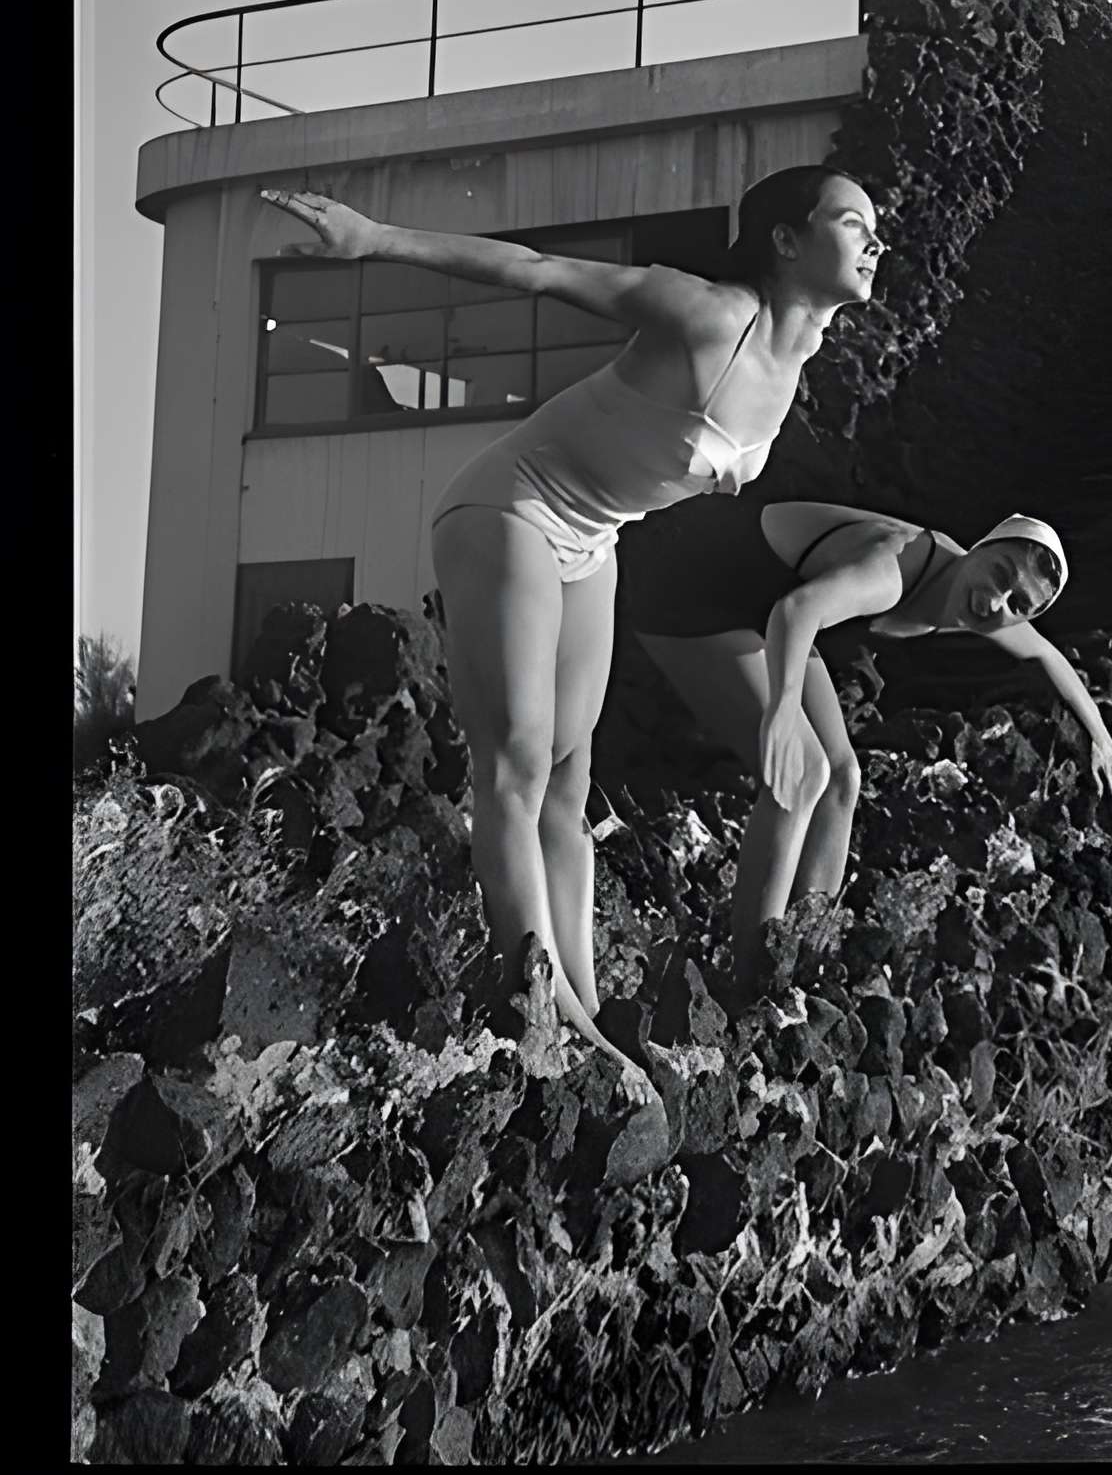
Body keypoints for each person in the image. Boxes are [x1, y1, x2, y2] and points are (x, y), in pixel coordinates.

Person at [256, 165, 884, 1091]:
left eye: (875, 228)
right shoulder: (711, 315)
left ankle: (581, 1004)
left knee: (569, 783)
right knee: (516, 757)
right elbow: (537, 270)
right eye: (852, 221)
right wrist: (374, 239)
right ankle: (536, 1009)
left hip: (594, 541)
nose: (875, 242)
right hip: (507, 506)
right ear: (787, 240)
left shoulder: (799, 359)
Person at [615, 494, 1112, 993]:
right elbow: (797, 612)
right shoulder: (895, 569)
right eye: (1000, 575)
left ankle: (801, 957)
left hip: (760, 605)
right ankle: (752, 977)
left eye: (1018, 604)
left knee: (844, 778)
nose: (996, 601)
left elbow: (1048, 658)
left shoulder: (990, 608)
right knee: (803, 775)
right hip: (688, 578)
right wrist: (781, 709)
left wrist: (1100, 736)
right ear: (979, 548)